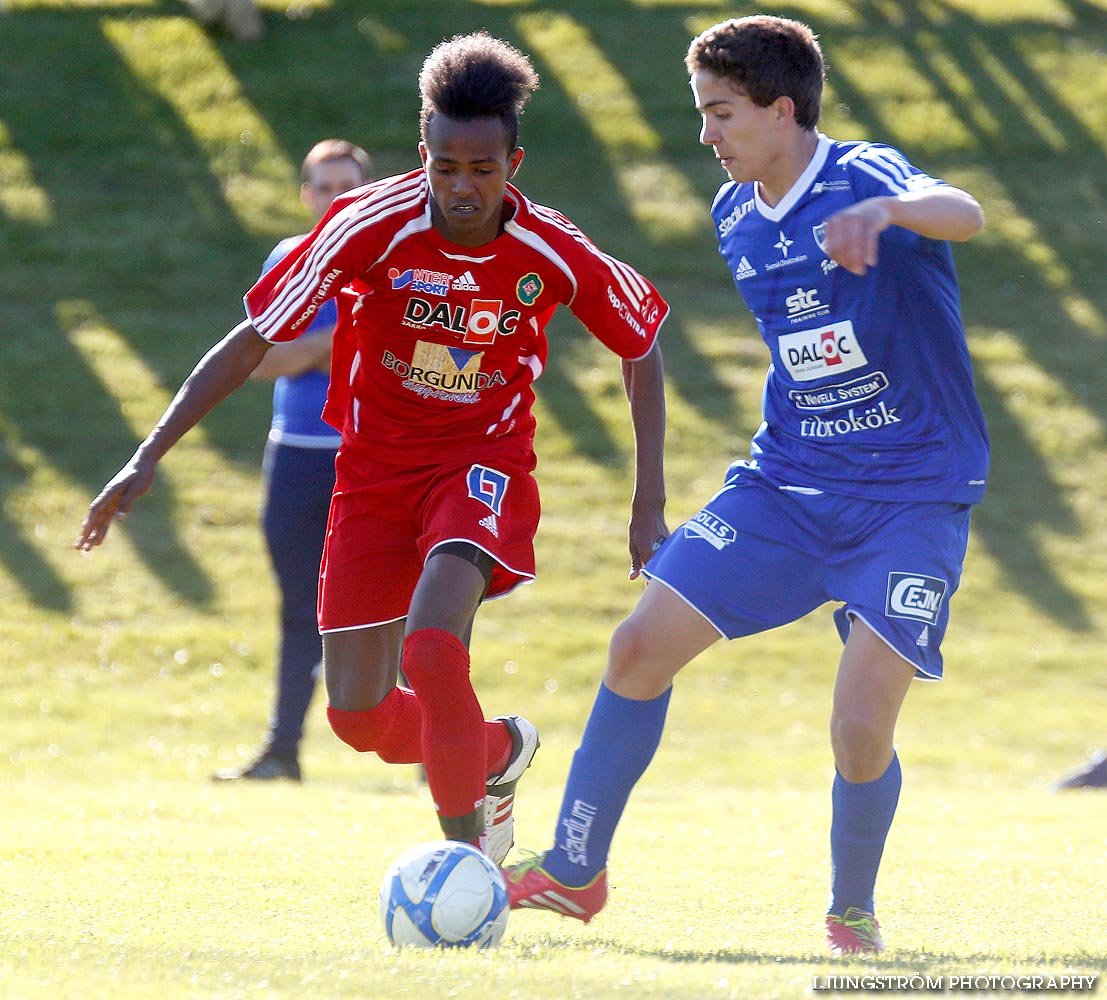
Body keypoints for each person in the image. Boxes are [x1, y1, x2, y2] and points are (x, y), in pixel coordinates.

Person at [76, 31, 669, 864]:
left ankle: (468, 870)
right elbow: (252, 338)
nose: (463, 188)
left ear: (514, 163)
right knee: (357, 716)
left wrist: (648, 506)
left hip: (481, 464)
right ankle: (495, 754)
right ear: (421, 154)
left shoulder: (551, 248)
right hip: (372, 476)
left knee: (431, 648)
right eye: (445, 168)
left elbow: (639, 342)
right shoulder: (367, 225)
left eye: (483, 170)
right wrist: (146, 456)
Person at [505, 14, 987, 955]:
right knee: (638, 647)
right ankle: (572, 873)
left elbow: (962, 212)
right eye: (700, 114)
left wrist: (887, 215)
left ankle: (851, 911)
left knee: (858, 728)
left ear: (781, 109)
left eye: (720, 113)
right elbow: (806, 351)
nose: (705, 135)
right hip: (788, 486)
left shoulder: (862, 176)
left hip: (910, 498)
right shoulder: (734, 217)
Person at [211, 139, 374, 783]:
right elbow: (260, 360)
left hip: (370, 458)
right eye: (323, 188)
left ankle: (427, 747)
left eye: (347, 186)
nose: (335, 199)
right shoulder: (289, 260)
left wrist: (304, 347)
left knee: (402, 602)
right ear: (306, 195)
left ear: (368, 188)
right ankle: (282, 752)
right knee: (297, 606)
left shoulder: (389, 260)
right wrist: (337, 339)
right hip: (296, 456)